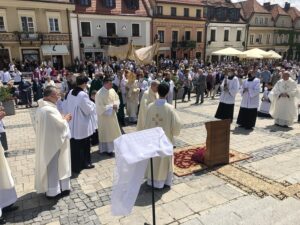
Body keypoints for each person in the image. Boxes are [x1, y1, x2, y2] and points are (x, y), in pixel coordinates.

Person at [35, 86, 72, 198]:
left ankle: (60, 187)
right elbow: (60, 126)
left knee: (56, 165)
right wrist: (66, 119)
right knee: (54, 166)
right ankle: (53, 191)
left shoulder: (43, 108)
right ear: (49, 96)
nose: (59, 96)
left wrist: (62, 119)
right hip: (53, 144)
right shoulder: (48, 110)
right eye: (57, 94)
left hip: (50, 141)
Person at [143, 83, 181, 189]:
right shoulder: (170, 108)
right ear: (168, 92)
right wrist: (173, 132)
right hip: (165, 140)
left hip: (153, 140)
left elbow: (146, 124)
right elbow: (177, 125)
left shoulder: (150, 107)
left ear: (157, 92)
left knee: (154, 159)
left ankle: (151, 180)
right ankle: (164, 182)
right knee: (163, 160)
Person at [64, 75, 95, 173]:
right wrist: (93, 104)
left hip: (72, 122)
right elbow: (88, 109)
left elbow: (66, 105)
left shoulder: (70, 92)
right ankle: (85, 163)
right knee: (84, 145)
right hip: (81, 124)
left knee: (75, 145)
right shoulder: (82, 94)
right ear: (84, 83)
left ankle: (75, 166)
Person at [95, 77, 122, 155]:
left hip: (112, 115)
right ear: (105, 83)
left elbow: (117, 99)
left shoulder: (112, 90)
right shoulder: (99, 93)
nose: (111, 85)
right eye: (110, 84)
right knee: (107, 133)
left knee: (113, 131)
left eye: (111, 83)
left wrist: (116, 105)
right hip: (104, 117)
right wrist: (111, 106)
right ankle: (108, 149)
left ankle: (114, 148)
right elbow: (99, 107)